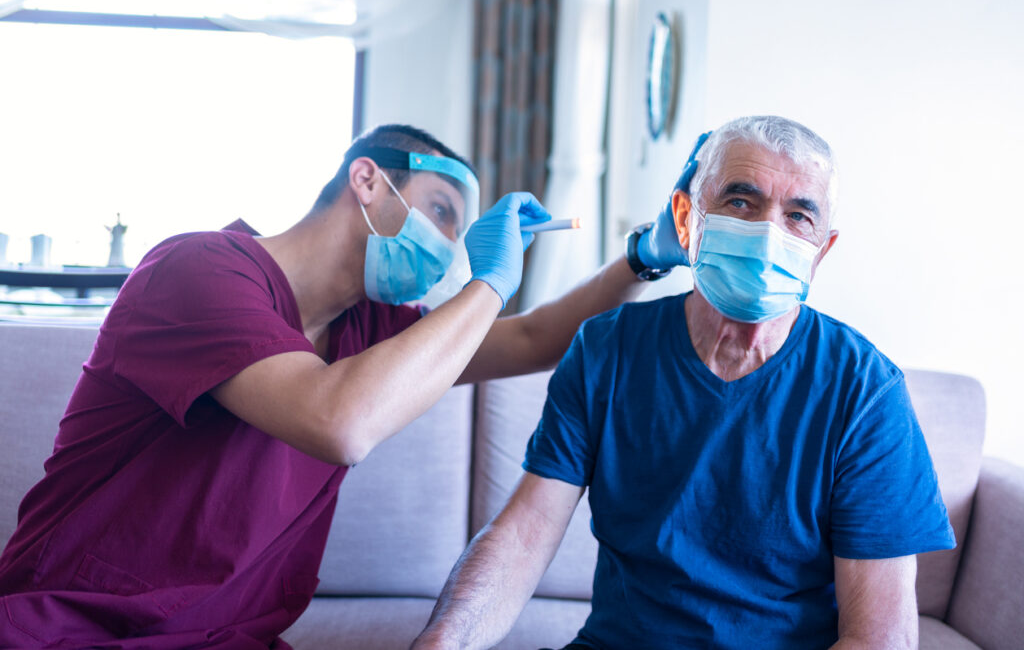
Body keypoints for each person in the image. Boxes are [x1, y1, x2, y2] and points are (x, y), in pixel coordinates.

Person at [0, 124, 687, 648]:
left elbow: (534, 338)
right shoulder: (197, 270)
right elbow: (340, 422)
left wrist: (643, 257)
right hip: (78, 628)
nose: (449, 245)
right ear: (366, 180)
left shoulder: (371, 327)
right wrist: (489, 283)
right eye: (443, 211)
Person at [411, 116, 956, 650]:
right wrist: (446, 637)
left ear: (821, 251)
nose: (768, 232)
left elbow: (880, 637)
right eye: (741, 202)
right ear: (687, 218)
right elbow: (525, 532)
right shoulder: (609, 349)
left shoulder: (865, 391)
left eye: (797, 217)